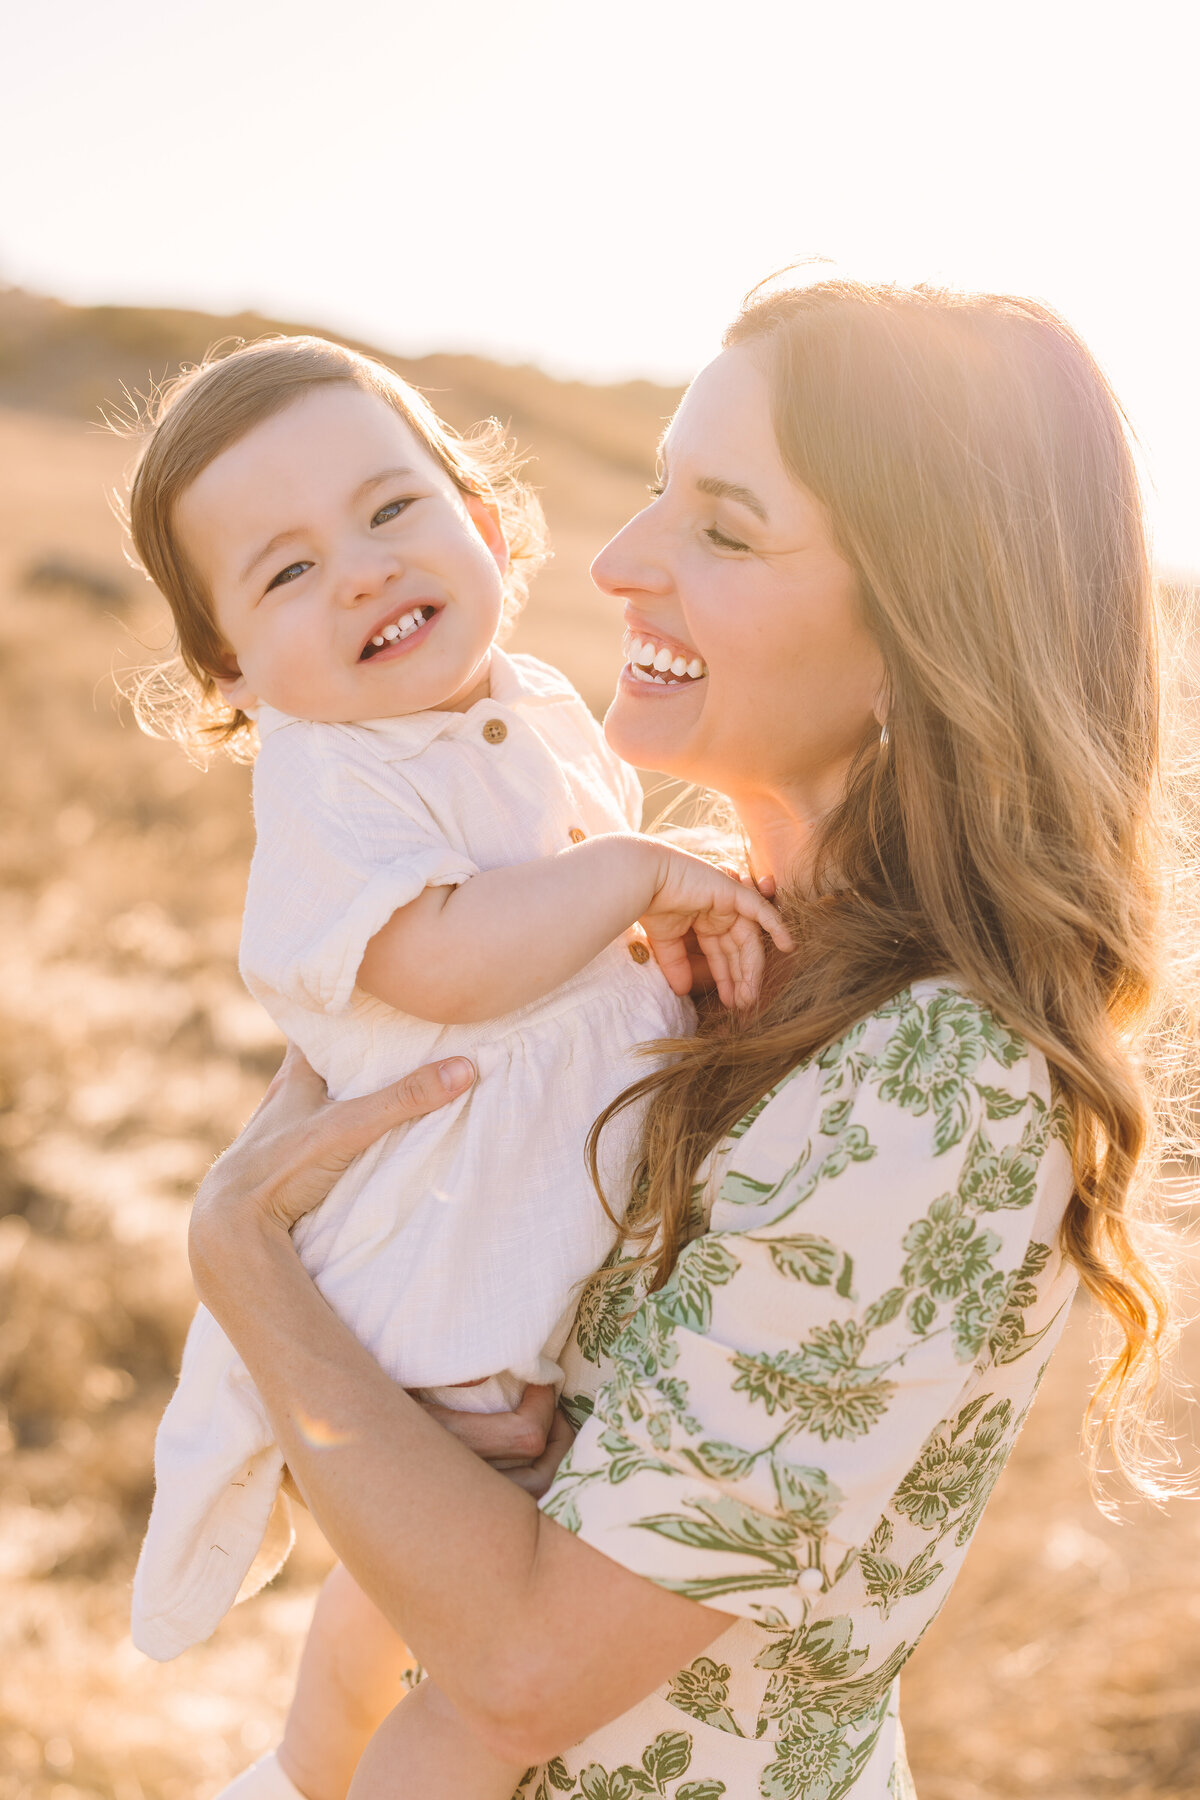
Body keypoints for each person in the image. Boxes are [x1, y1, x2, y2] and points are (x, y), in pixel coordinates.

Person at [181, 277, 1184, 1800]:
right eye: (660, 486)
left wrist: (241, 1259)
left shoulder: (938, 1084)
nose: (618, 561)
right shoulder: (671, 934)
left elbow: (528, 1671)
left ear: (923, 632)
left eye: (724, 528)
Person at [122, 338, 791, 1798]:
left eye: (390, 510)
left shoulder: (533, 705)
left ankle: (314, 1768)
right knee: (463, 1655)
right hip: (436, 1258)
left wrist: (651, 912)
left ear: (485, 526)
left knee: (427, 1606)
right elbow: (439, 959)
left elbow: (572, 939)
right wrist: (635, 875)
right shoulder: (330, 776)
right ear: (233, 670)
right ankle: (320, 1771)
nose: (362, 571)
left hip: (525, 1225)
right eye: (287, 572)